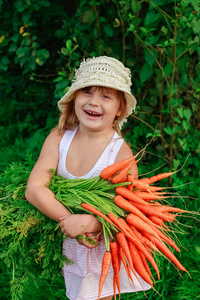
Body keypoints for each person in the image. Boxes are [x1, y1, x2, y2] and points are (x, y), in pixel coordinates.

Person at [25, 56, 151, 300]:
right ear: (74, 99)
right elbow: (34, 189)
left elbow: (129, 212)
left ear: (120, 109)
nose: (94, 102)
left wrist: (93, 224)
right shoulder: (59, 138)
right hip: (73, 244)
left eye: (106, 96)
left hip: (105, 248)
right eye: (87, 92)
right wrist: (69, 219)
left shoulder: (120, 155)